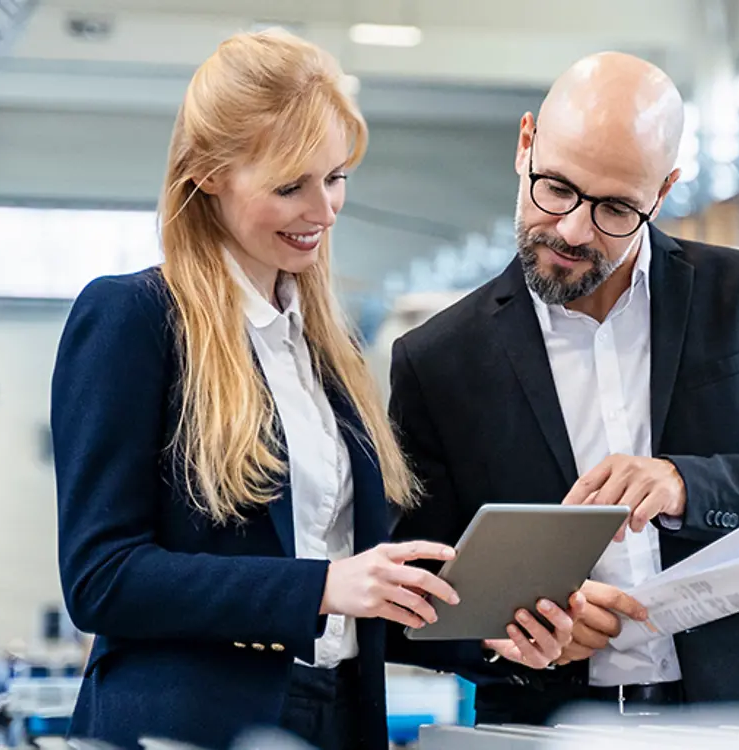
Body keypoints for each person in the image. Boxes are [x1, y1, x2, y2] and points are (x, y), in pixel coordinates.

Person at [50, 30, 575, 750]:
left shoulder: (326, 351)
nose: (324, 211)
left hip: (335, 715)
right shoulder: (134, 319)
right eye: (290, 185)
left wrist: (491, 631)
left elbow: (366, 591)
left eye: (335, 178)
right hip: (191, 726)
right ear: (207, 174)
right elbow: (101, 578)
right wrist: (320, 587)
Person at [387, 51, 739, 725]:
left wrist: (691, 486)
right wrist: (513, 639)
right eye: (557, 188)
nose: (572, 230)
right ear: (525, 143)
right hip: (548, 725)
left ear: (663, 192)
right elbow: (410, 595)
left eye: (616, 209)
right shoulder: (438, 362)